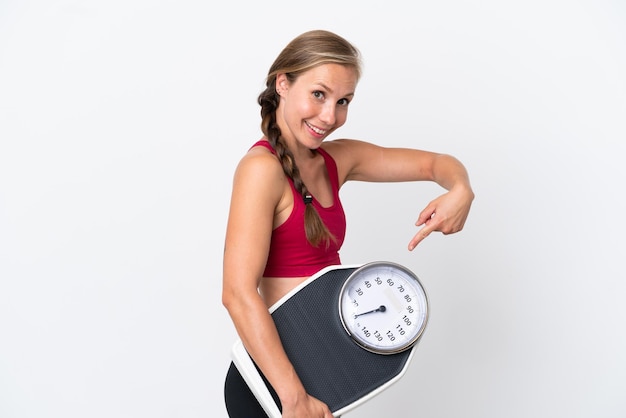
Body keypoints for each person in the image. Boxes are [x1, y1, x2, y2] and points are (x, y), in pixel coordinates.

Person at [222, 29, 474, 418]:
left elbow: (434, 163)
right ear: (283, 84)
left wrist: (460, 188)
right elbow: (237, 294)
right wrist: (293, 398)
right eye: (319, 94)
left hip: (326, 376)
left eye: (343, 101)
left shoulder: (336, 160)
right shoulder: (261, 169)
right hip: (274, 387)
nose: (330, 116)